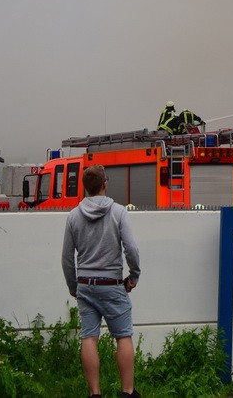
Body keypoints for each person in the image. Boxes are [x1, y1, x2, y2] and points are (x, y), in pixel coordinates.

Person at [62, 165, 142, 398]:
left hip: (85, 285)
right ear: (105, 183)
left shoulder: (73, 216)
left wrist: (73, 287)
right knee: (123, 336)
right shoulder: (118, 212)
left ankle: (94, 394)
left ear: (85, 187)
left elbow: (67, 257)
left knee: (89, 337)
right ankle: (127, 392)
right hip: (112, 285)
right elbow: (132, 249)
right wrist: (134, 276)